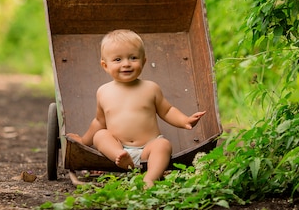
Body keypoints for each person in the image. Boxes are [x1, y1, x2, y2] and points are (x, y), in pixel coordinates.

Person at [67, 29, 206, 187]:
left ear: (143, 61)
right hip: (119, 147)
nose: (126, 63)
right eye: (118, 59)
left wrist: (185, 120)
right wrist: (84, 141)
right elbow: (99, 121)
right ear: (105, 65)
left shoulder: (150, 88)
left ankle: (150, 178)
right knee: (100, 135)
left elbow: (167, 110)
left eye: (133, 58)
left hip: (149, 146)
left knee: (163, 145)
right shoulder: (103, 92)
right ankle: (120, 158)